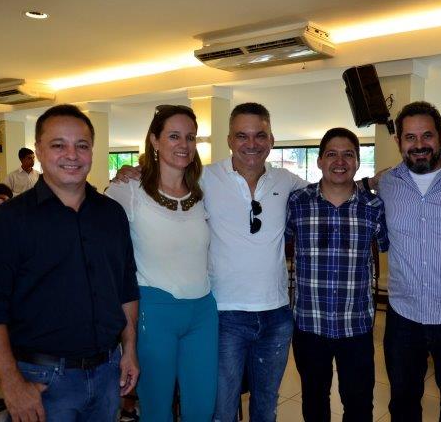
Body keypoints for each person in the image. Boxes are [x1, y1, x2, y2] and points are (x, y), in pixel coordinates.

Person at [115, 102, 308, 421]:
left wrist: (372, 183)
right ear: (229, 140)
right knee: (193, 407)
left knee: (232, 406)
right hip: (207, 312)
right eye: (242, 135)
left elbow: (329, 191)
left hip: (243, 312)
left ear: (272, 140)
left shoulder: (281, 181)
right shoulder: (198, 180)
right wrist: (127, 173)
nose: (251, 143)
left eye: (260, 135)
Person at [0, 104, 140, 421]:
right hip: (41, 380)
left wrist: (129, 350)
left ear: (92, 151)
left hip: (107, 374)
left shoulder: (111, 215)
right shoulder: (7, 221)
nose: (72, 155)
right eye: (59, 145)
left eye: (82, 145)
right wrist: (11, 383)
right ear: (39, 151)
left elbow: (125, 289)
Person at [368, 101, 441, 422]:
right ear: (398, 141)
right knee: (403, 405)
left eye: (427, 135)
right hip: (403, 316)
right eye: (410, 137)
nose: (419, 144)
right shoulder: (387, 184)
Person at [106, 105, 217, 421]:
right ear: (154, 140)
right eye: (174, 136)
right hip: (154, 311)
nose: (184, 144)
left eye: (190, 137)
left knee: (202, 408)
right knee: (156, 410)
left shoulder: (203, 190)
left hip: (203, 311)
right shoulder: (127, 190)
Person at [286, 127, 389, 421]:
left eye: (348, 155)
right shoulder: (297, 203)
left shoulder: (374, 207)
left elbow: (389, 245)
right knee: (314, 403)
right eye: (332, 154)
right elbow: (278, 243)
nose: (340, 161)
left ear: (357, 162)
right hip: (309, 325)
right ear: (320, 161)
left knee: (359, 406)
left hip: (355, 326)